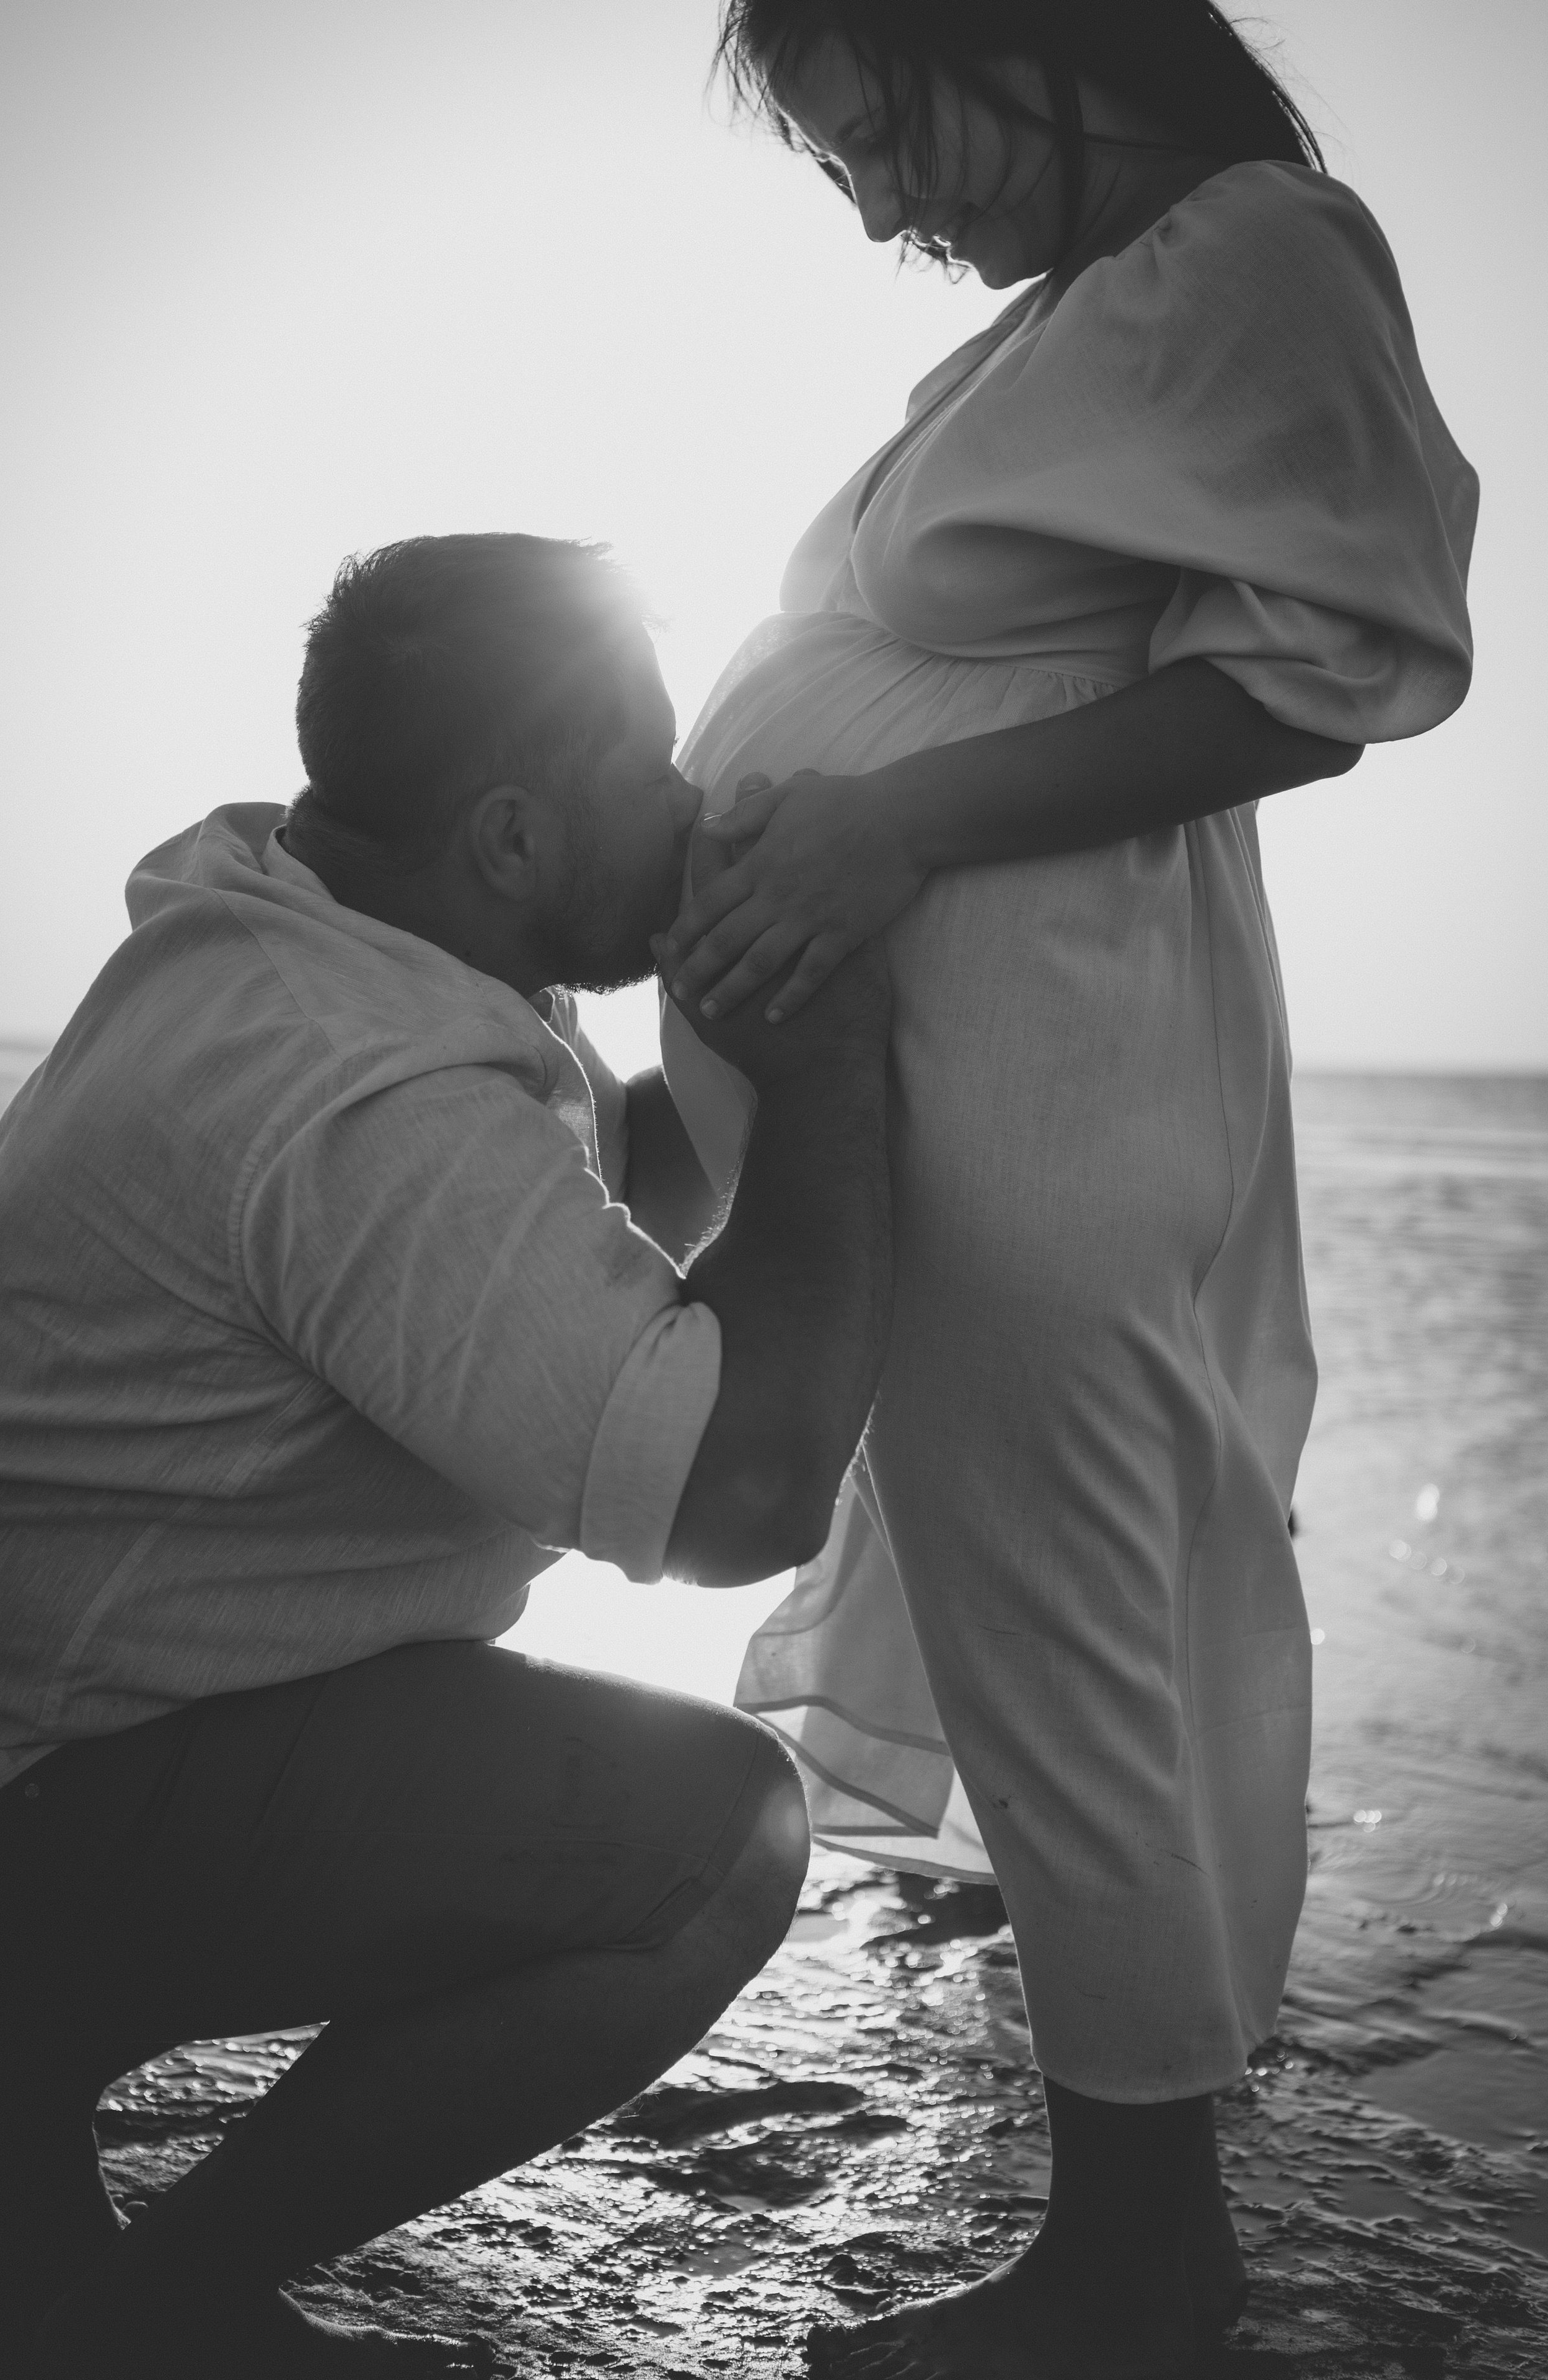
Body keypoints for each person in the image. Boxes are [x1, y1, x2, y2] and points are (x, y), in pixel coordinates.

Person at [655, 6, 1479, 2376]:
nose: (893, 208)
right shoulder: (1076, 317)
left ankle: (1139, 2261)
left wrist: (887, 819)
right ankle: (1123, 2217)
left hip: (1039, 1083)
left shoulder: (1264, 251)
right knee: (1048, 1648)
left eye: (880, 128)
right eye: (840, 175)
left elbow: (1320, 672)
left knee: (1078, 1639)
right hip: (946, 1082)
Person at [0, 531, 895, 2378]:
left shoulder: (307, 928)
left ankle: (20, 2134)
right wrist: (835, 1068)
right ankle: (152, 2327)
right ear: (514, 841)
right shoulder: (355, 1081)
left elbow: (551, 1216)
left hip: (44, 1735)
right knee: (717, 1841)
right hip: (24, 1802)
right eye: (643, 763)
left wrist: (726, 1038)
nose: (689, 797)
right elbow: (741, 1497)